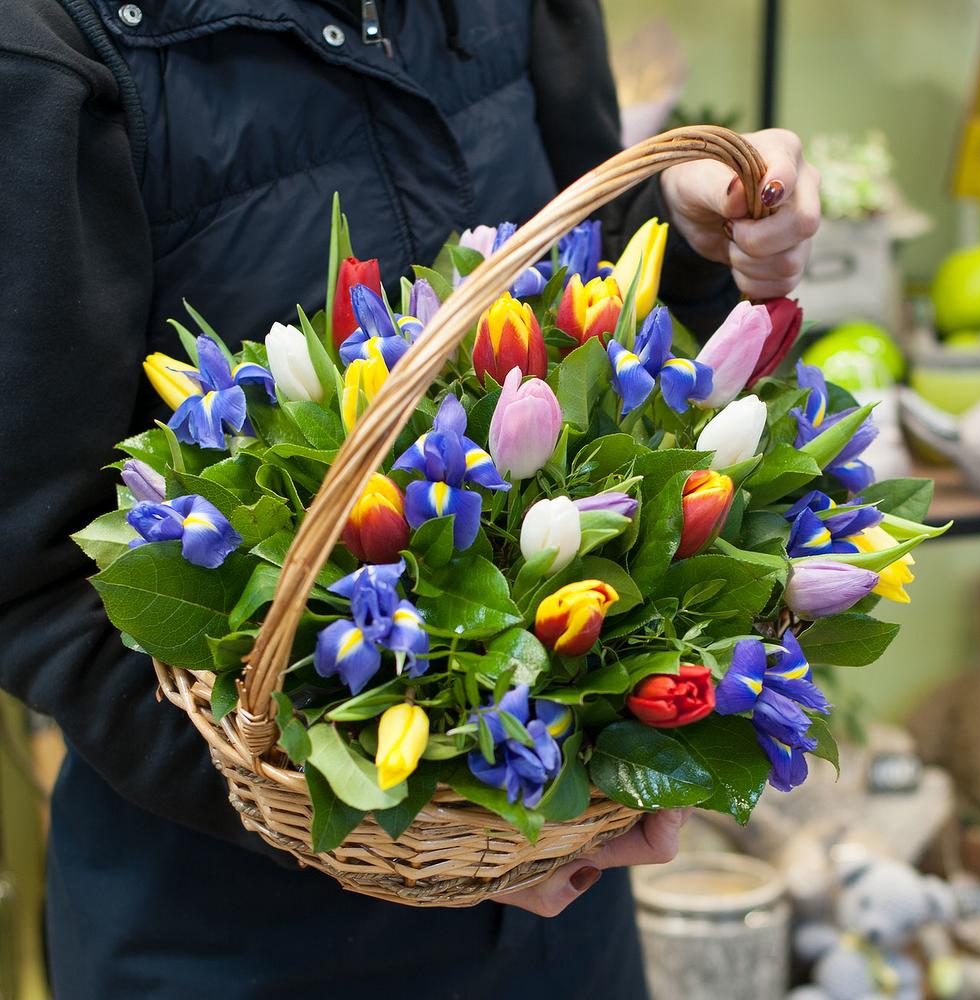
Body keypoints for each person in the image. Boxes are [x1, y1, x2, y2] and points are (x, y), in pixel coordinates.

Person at [0, 1, 820, 996]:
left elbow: (583, 297)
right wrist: (402, 817)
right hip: (232, 930)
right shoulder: (49, 44)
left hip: (554, 892)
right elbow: (29, 576)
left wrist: (688, 237)